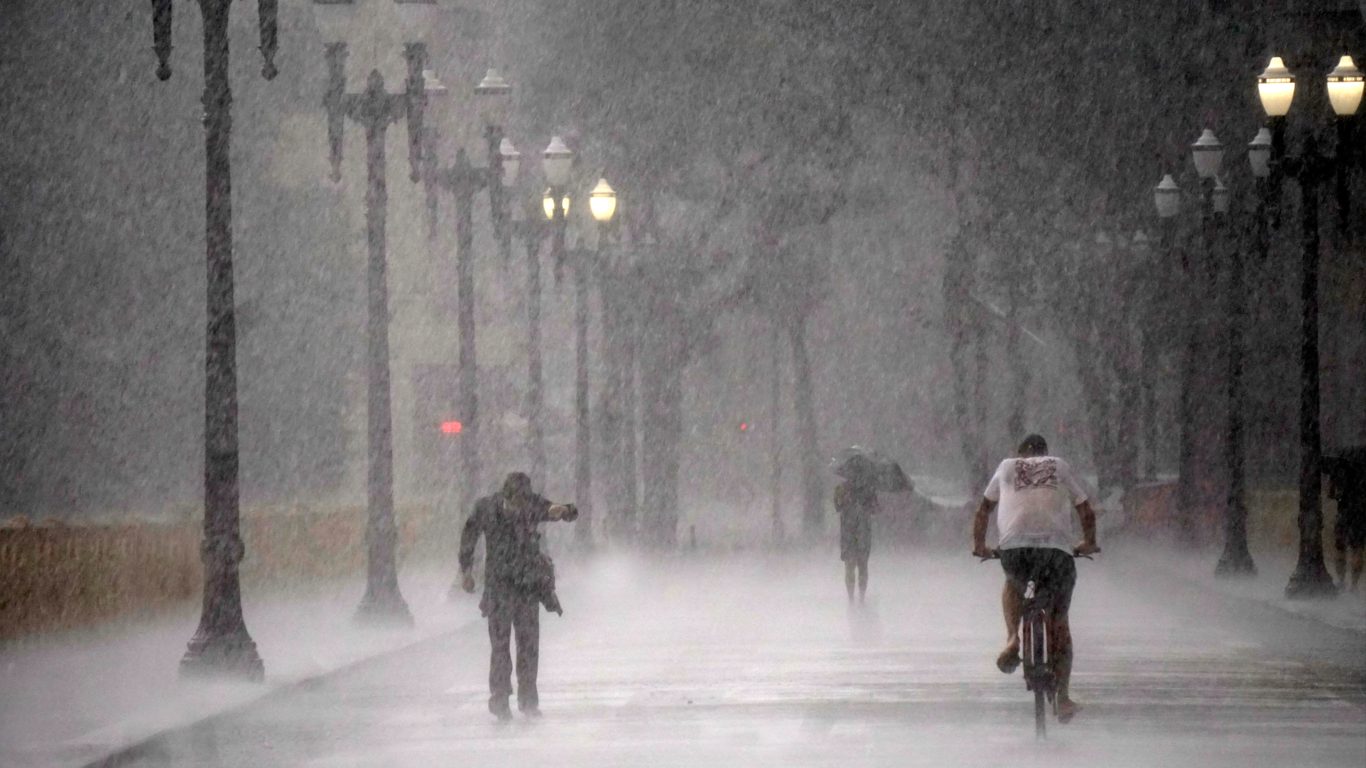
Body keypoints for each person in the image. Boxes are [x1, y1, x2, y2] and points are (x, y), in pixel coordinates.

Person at [971, 434, 1099, 724]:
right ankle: (1063, 699)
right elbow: (1084, 509)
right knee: (1060, 621)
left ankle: (1013, 638)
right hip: (1056, 553)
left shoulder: (1006, 467)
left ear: (1020, 454)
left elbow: (983, 510)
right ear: (1045, 453)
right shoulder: (1060, 466)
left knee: (1013, 583)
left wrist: (980, 545)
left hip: (1016, 550)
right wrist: (1088, 542)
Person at [459, 472, 578, 720]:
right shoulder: (487, 509)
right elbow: (469, 534)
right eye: (516, 504)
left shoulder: (531, 505)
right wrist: (466, 569)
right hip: (499, 587)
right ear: (506, 496)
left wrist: (564, 510)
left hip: (526, 587)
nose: (521, 510)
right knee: (500, 647)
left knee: (528, 646)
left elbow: (561, 511)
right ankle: (500, 700)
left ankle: (528, 701)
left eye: (524, 504)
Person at [1325, 454, 1365, 592]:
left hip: (1344, 512)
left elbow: (1330, 494)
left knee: (1340, 548)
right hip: (1360, 514)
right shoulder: (1362, 468)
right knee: (1357, 549)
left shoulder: (1340, 467)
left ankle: (1341, 581)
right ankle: (1354, 586)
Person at [835, 477, 879, 603]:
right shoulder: (869, 489)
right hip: (863, 532)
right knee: (862, 566)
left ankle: (852, 597)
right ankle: (861, 597)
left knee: (850, 566)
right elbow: (876, 509)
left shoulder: (842, 489)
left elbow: (837, 507)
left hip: (848, 532)